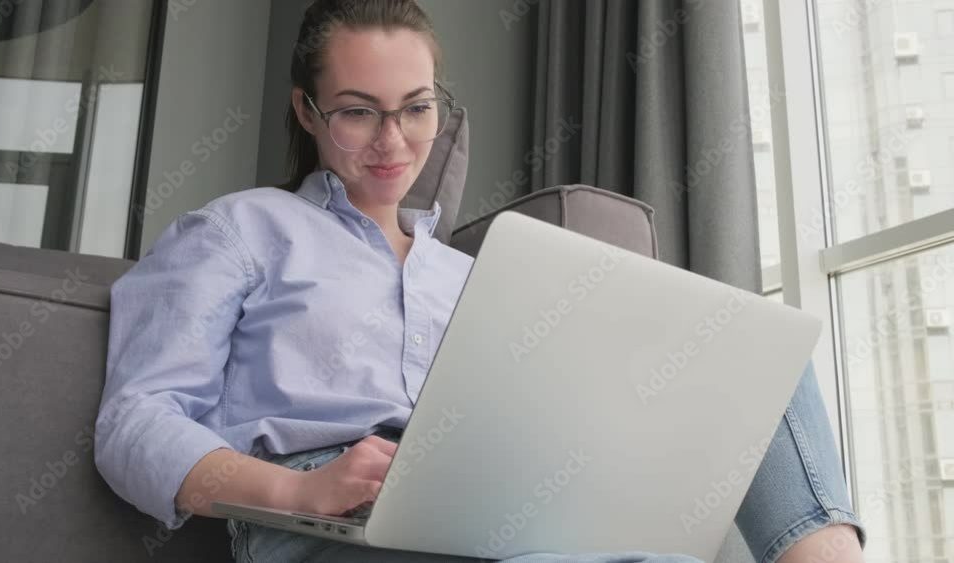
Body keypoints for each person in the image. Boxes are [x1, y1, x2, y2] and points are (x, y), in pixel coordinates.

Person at [93, 1, 868, 561]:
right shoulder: (238, 230)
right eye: (359, 112)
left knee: (759, 356)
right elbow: (135, 420)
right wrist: (301, 492)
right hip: (316, 522)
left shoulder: (481, 274)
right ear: (306, 109)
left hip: (500, 495)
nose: (394, 142)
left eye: (417, 108)